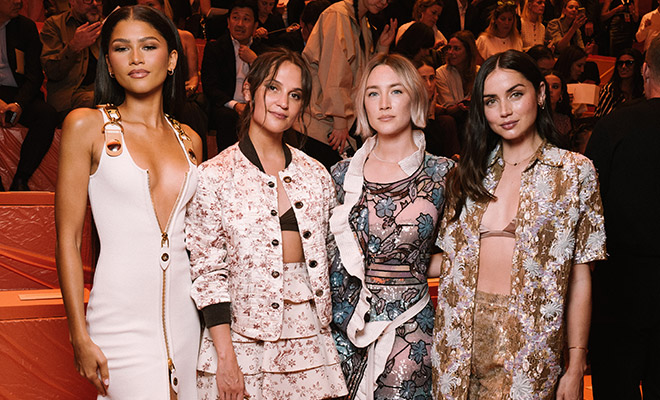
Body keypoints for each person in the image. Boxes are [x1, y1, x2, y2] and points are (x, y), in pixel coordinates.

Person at [431, 50, 606, 399]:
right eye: (491, 101)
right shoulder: (467, 175)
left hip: (530, 345)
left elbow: (580, 277)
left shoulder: (574, 173)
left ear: (540, 93)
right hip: (456, 340)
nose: (505, 111)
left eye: (516, 94)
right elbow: (443, 261)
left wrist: (575, 366)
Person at [56, 5, 203, 399]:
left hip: (187, 318)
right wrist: (78, 334)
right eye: (122, 48)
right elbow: (68, 240)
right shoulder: (86, 126)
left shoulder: (190, 139)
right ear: (109, 62)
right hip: (118, 319)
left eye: (149, 46)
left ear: (172, 59)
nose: (136, 59)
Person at [186, 49, 348, 400]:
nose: (283, 103)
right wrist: (226, 359)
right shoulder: (214, 176)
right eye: (273, 88)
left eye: (295, 95)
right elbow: (209, 273)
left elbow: (332, 259)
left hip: (308, 334)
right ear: (249, 90)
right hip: (241, 339)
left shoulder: (316, 175)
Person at [329, 53, 454, 400]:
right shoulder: (340, 175)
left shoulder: (443, 174)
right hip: (345, 330)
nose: (383, 104)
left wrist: (410, 267)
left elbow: (464, 255)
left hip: (412, 327)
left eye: (395, 91)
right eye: (373, 93)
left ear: (414, 97)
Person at [585, 35, 660, 400]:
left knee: (618, 385)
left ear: (645, 69)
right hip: (624, 282)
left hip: (622, 287)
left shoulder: (615, 125)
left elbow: (590, 209)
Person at [302, 0, 396, 169]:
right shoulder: (337, 15)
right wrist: (339, 121)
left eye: (389, 0)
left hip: (345, 117)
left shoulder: (362, 22)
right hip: (323, 119)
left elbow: (363, 74)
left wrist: (382, 47)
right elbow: (333, 70)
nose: (384, 3)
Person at [137, 0, 209, 158]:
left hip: (180, 94)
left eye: (151, 5)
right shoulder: (135, 41)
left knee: (191, 110)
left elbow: (193, 78)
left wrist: (186, 90)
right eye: (141, 6)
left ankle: (194, 164)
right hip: (148, 96)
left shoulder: (185, 37)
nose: (146, 10)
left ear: (163, 7)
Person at [0, 0, 58, 191]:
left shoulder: (25, 27)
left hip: (18, 91)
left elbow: (34, 75)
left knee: (47, 114)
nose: (19, 2)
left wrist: (19, 103)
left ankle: (21, 179)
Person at [201, 0, 267, 153]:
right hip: (227, 105)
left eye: (246, 19)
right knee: (228, 118)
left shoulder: (262, 51)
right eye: (235, 18)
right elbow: (210, 87)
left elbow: (271, 83)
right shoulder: (215, 48)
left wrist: (254, 61)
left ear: (255, 25)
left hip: (255, 106)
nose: (240, 24)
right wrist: (236, 105)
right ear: (228, 22)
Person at [40, 0, 102, 120]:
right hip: (69, 96)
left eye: (98, 0)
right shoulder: (54, 25)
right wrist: (74, 46)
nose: (94, 3)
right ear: (72, 2)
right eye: (88, 0)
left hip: (100, 91)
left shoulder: (107, 26)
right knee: (96, 99)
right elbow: (52, 72)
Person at [415, 56, 461, 157]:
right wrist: (430, 114)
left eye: (432, 78)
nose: (429, 84)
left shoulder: (437, 109)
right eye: (423, 79)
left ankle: (454, 163)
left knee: (447, 121)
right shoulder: (405, 106)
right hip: (417, 161)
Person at [594, 48, 644, 117]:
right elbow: (605, 118)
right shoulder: (609, 89)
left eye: (629, 63)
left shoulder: (644, 90)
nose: (623, 67)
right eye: (620, 63)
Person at [544, 69, 574, 138]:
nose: (550, 90)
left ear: (561, 94)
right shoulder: (531, 117)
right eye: (546, 86)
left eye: (555, 87)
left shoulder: (564, 120)